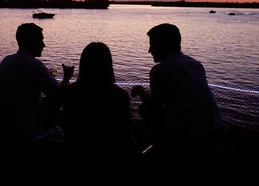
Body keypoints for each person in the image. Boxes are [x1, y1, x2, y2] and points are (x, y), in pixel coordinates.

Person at [131, 23, 223, 169]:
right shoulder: (194, 64)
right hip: (215, 131)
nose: (149, 50)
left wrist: (141, 93)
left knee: (144, 109)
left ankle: (162, 147)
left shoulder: (160, 70)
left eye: (154, 45)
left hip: (189, 137)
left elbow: (153, 107)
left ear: (168, 45)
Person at [0, 23, 74, 144]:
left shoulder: (6, 60)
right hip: (21, 136)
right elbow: (61, 93)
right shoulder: (34, 65)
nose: (44, 45)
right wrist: (66, 78)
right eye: (40, 41)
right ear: (31, 42)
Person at [60, 42, 135, 165]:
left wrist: (66, 79)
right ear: (108, 64)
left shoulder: (71, 92)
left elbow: (67, 125)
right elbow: (126, 135)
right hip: (109, 158)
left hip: (74, 154)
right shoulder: (119, 95)